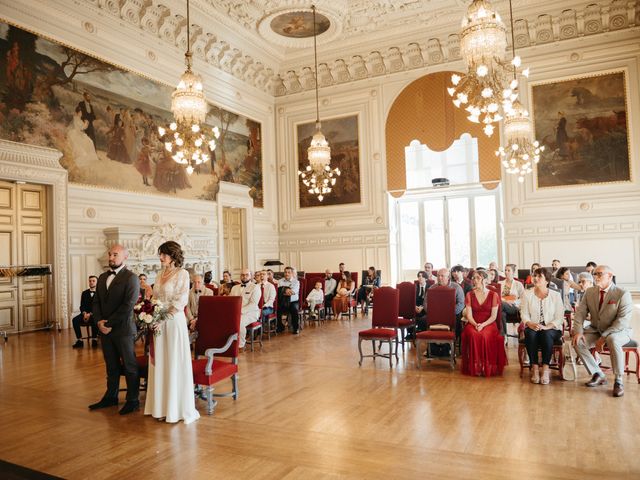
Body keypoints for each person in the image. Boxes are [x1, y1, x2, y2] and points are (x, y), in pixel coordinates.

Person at [145, 241, 199, 423]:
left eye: (164, 254)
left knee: (173, 361)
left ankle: (175, 410)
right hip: (158, 322)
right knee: (160, 362)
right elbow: (155, 298)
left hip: (173, 322)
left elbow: (181, 300)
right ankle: (160, 408)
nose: (160, 258)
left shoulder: (183, 274)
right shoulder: (160, 274)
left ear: (173, 255)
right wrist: (150, 314)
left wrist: (163, 318)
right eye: (160, 254)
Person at [89, 244, 140, 415]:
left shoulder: (131, 278)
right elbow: (96, 302)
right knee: (111, 366)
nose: (111, 257)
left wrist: (108, 323)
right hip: (105, 330)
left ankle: (133, 400)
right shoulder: (103, 277)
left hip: (123, 330)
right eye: (110, 254)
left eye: (115, 254)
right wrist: (98, 323)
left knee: (130, 366)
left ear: (125, 256)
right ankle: (111, 397)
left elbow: (128, 306)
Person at [572, 265, 633, 398]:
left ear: (610, 276)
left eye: (599, 274)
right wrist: (578, 331)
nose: (596, 277)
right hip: (596, 329)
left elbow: (622, 321)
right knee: (578, 341)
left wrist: (604, 337)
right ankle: (598, 373)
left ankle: (618, 381)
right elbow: (580, 313)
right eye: (594, 274)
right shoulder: (590, 292)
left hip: (620, 331)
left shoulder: (622, 293)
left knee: (613, 339)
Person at [520, 267, 564, 384]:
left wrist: (547, 326)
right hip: (533, 325)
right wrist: (530, 323)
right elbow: (523, 314)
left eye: (539, 276)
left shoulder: (555, 295)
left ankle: (545, 368)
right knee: (530, 333)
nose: (535, 278)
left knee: (546, 334)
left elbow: (559, 317)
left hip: (552, 328)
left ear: (547, 281)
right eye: (535, 276)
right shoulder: (527, 294)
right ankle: (534, 368)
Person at [461, 270, 507, 377]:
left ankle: (486, 365)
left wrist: (483, 325)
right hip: (473, 323)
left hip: (489, 323)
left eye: (478, 278)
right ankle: (476, 365)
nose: (475, 280)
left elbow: (493, 317)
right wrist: (475, 324)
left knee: (484, 335)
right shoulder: (469, 294)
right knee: (473, 334)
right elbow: (469, 315)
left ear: (485, 280)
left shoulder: (493, 295)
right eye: (473, 278)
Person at [423, 268, 465, 340]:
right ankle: (432, 347)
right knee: (423, 321)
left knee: (456, 321)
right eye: (438, 276)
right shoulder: (432, 288)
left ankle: (448, 347)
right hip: (435, 315)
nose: (439, 278)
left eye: (442, 276)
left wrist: (449, 313)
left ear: (448, 277)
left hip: (451, 315)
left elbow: (461, 304)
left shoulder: (457, 287)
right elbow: (426, 302)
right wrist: (432, 313)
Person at [230, 268, 261, 347]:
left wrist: (239, 311)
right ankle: (228, 343)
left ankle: (240, 345)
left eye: (247, 275)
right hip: (235, 312)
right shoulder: (234, 288)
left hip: (251, 313)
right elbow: (230, 301)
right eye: (242, 275)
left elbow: (253, 304)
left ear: (251, 276)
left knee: (239, 321)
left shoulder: (255, 287)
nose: (244, 276)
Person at [72, 275, 98, 348]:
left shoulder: (99, 293)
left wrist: (90, 314)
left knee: (94, 319)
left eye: (93, 281)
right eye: (90, 281)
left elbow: (99, 307)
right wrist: (84, 313)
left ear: (97, 282)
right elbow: (82, 305)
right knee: (75, 320)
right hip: (84, 313)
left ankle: (94, 339)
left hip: (95, 313)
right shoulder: (84, 293)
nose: (91, 282)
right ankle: (80, 340)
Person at [499, 264, 525, 336]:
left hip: (514, 306)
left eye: (508, 270)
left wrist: (513, 301)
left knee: (501, 304)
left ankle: (501, 336)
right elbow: (497, 297)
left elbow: (523, 299)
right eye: (505, 270)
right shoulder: (500, 283)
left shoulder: (518, 284)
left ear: (513, 272)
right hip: (502, 305)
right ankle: (503, 336)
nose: (506, 272)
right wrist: (506, 301)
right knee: (502, 314)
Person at [277, 266, 300, 333]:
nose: (287, 274)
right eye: (285, 272)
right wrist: (286, 290)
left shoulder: (296, 282)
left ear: (292, 273)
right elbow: (278, 291)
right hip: (282, 301)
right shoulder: (280, 281)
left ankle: (296, 328)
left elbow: (292, 292)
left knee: (294, 309)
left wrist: (283, 290)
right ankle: (280, 327)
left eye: (289, 272)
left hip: (293, 301)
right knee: (277, 309)